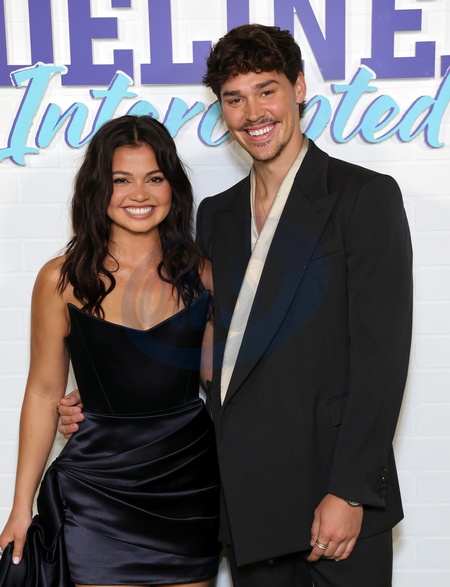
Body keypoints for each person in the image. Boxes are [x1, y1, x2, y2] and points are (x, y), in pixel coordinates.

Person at [57, 24, 413, 587]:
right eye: (234, 98)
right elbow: (217, 349)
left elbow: (382, 359)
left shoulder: (363, 196)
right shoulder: (218, 215)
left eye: (266, 90)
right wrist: (117, 391)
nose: (253, 113)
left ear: (299, 88)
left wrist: (350, 491)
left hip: (333, 493)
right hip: (248, 501)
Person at [0, 115, 220, 587]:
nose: (139, 194)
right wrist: (20, 507)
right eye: (121, 180)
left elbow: (219, 380)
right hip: (96, 486)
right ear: (98, 189)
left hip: (186, 482)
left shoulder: (202, 274)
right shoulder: (60, 280)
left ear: (173, 187)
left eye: (154, 178)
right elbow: (43, 392)